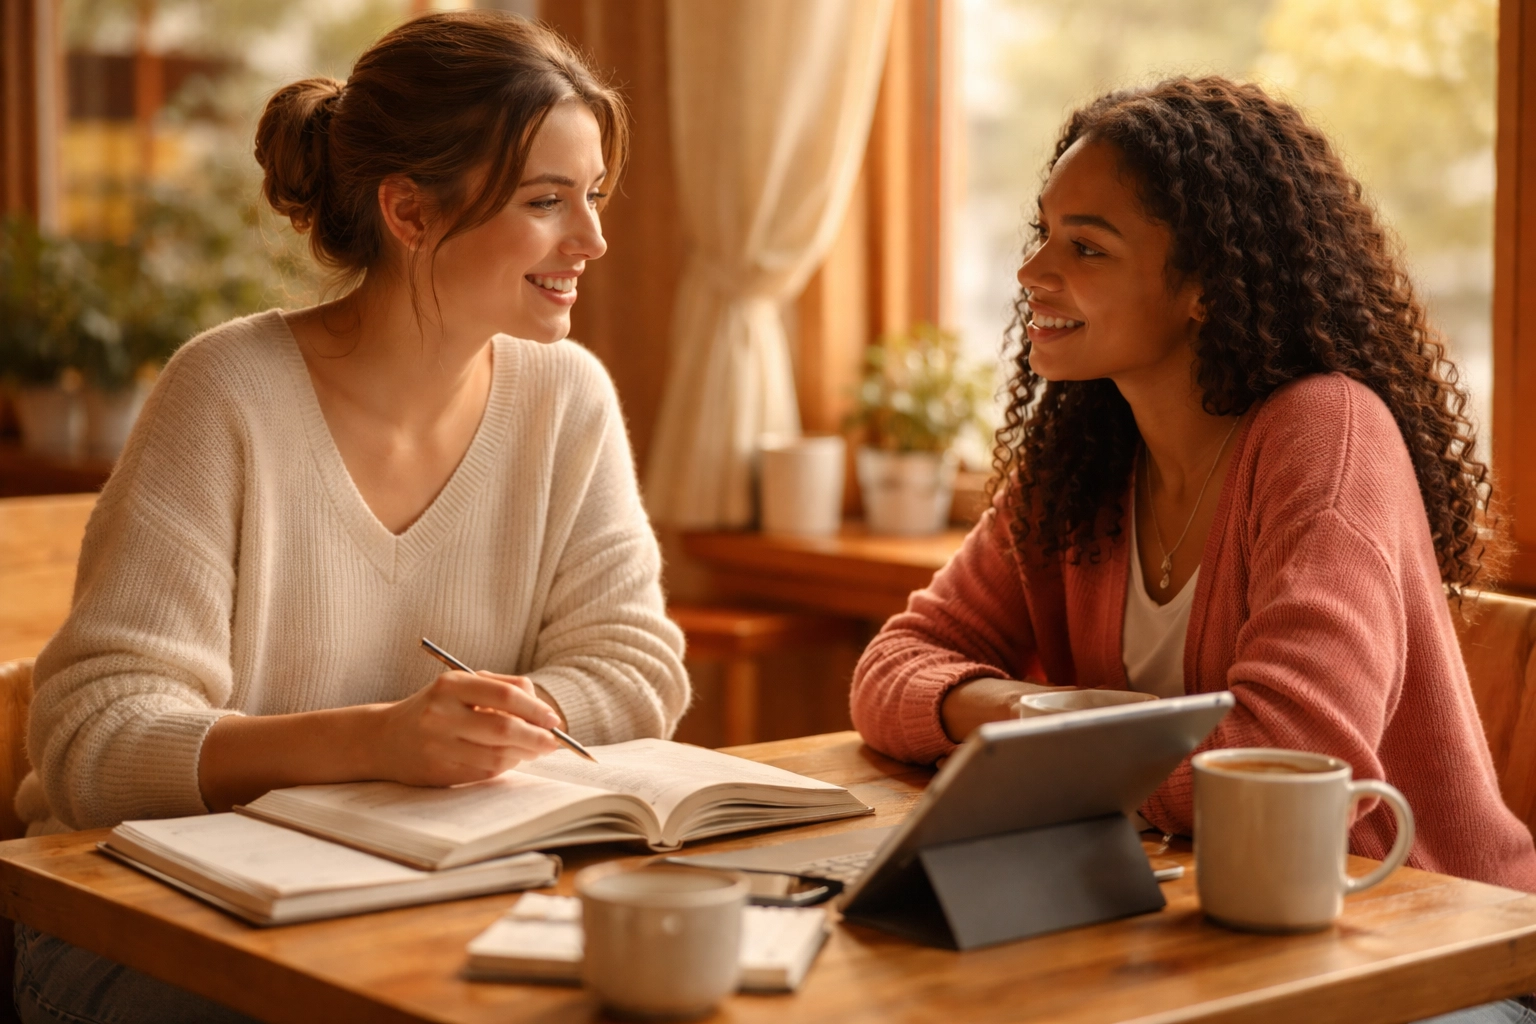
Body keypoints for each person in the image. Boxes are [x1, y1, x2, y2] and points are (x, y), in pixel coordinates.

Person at [15, 12, 686, 1023]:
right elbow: (94, 743)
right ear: (408, 211)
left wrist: (469, 736)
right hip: (143, 919)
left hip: (429, 897)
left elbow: (635, 672)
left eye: (592, 195)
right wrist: (376, 742)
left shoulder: (568, 399)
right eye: (546, 200)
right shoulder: (226, 392)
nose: (591, 238)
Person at [849, 77, 1536, 1023]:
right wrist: (1025, 710)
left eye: (1087, 247)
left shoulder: (1326, 434)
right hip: (1207, 939)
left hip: (1430, 955)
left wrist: (1052, 748)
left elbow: (1288, 763)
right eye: (1043, 233)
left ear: (1207, 285)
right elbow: (893, 668)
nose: (1033, 271)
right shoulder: (1084, 456)